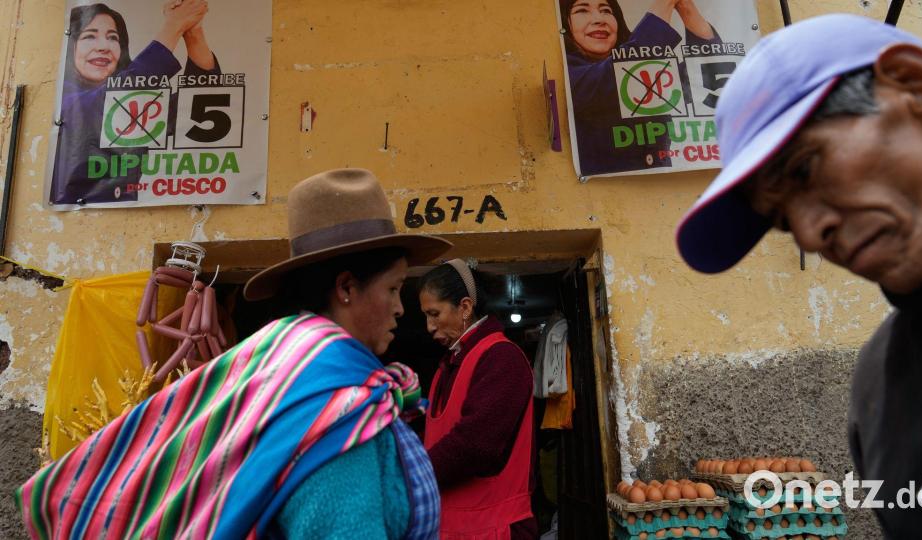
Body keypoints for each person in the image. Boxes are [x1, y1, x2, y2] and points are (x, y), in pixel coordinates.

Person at [18, 168, 452, 539]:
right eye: (393, 288)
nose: (400, 308)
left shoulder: (273, 368)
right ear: (346, 288)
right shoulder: (336, 409)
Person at [674, 14, 922, 537]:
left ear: (918, 86)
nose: (808, 234)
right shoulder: (880, 389)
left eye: (805, 168)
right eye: (783, 221)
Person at [50, 1, 220, 205]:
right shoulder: (65, 100)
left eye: (112, 38)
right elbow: (117, 95)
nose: (103, 46)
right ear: (71, 45)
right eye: (89, 36)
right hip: (77, 219)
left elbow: (199, 104)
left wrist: (193, 31)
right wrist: (174, 25)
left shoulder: (139, 105)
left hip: (128, 215)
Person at [418, 260, 537, 539]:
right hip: (451, 525)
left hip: (495, 528)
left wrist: (410, 476)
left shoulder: (501, 358)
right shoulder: (449, 365)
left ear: (465, 307)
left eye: (434, 314)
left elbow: (475, 445)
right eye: (426, 316)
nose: (429, 326)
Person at [560, 0, 721, 176]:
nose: (599, 19)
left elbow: (704, 77)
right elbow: (622, 71)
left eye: (606, 10)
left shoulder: (649, 72)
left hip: (661, 186)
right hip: (605, 191)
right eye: (582, 10)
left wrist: (686, 8)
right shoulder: (568, 75)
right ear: (564, 24)